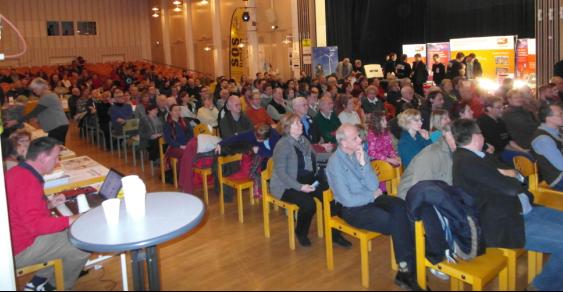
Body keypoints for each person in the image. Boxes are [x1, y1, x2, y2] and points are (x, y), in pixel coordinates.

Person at [451, 119, 563, 291]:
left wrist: (512, 175)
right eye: (481, 132)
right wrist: (513, 176)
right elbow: (511, 188)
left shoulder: (480, 156)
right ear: (476, 136)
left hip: (523, 211)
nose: (483, 135)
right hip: (507, 223)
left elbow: (516, 179)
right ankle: (540, 287)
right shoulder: (467, 161)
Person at [326, 124, 420, 291]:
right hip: (352, 209)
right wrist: (372, 195)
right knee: (395, 220)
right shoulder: (335, 163)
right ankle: (407, 268)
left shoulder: (360, 153)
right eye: (355, 138)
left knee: (403, 206)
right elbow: (347, 200)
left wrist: (363, 164)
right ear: (343, 142)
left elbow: (373, 184)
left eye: (358, 136)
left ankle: (407, 267)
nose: (360, 140)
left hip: (372, 198)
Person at [6, 137, 90, 290]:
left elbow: (21, 209)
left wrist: (48, 204)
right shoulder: (28, 181)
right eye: (56, 157)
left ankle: (39, 281)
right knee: (80, 246)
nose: (57, 161)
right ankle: (55, 286)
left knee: (64, 236)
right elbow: (35, 226)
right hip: (18, 249)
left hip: (12, 239)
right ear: (43, 157)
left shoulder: (18, 171)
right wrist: (71, 219)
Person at [269, 114, 351, 248]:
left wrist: (334, 156)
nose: (301, 125)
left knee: (332, 196)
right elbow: (281, 174)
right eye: (297, 124)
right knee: (308, 204)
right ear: (288, 128)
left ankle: (334, 234)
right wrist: (300, 187)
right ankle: (300, 233)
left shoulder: (303, 140)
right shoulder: (283, 145)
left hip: (308, 179)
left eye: (300, 123)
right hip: (286, 185)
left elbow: (316, 157)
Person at [398, 126, 456, 199]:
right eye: (417, 120)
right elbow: (422, 190)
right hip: (414, 198)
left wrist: (428, 138)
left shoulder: (419, 138)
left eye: (420, 120)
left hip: (432, 187)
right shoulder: (404, 142)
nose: (421, 123)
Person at [7, 78, 69, 144]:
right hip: (59, 125)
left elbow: (34, 112)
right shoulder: (49, 95)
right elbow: (43, 110)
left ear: (41, 87)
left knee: (55, 148)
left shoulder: (47, 97)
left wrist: (16, 121)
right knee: (57, 147)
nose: (34, 91)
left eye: (35, 89)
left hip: (57, 126)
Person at [478, 96, 529, 164]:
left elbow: (509, 140)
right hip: (494, 154)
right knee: (525, 159)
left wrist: (523, 150)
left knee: (528, 155)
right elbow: (502, 145)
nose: (502, 109)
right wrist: (521, 152)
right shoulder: (483, 122)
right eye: (498, 107)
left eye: (502, 106)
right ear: (489, 108)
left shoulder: (500, 121)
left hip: (504, 150)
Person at [531, 103, 563, 191]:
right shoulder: (543, 139)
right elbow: (561, 165)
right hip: (558, 178)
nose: (562, 115)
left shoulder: (556, 130)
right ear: (549, 118)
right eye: (560, 114)